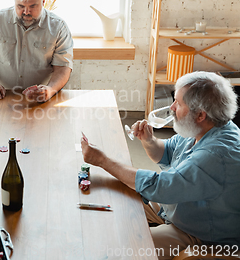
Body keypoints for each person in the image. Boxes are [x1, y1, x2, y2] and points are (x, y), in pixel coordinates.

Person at [81, 71, 240, 260]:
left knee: (126, 245)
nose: (172, 107)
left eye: (178, 103)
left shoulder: (216, 155)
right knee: (117, 199)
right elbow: (166, 152)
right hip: (180, 205)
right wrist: (148, 141)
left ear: (200, 115)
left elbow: (160, 187)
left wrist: (103, 161)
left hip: (202, 232)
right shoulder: (204, 128)